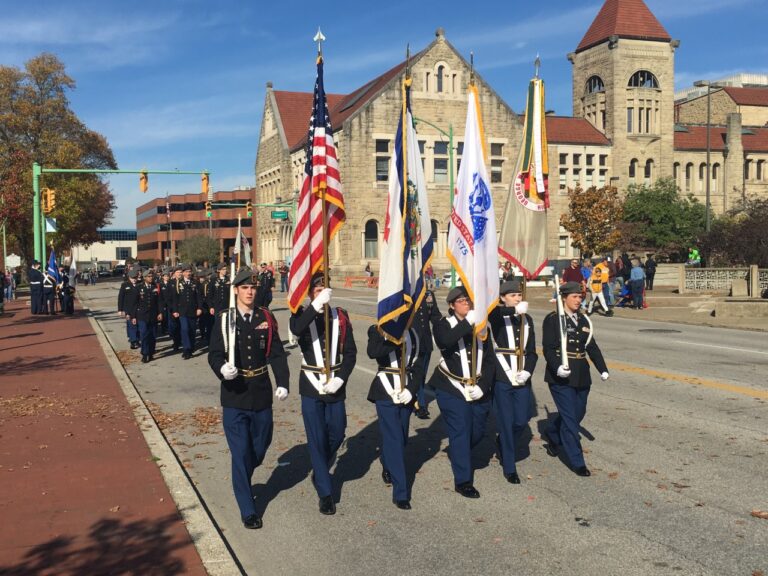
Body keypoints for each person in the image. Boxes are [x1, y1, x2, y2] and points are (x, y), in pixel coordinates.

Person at [208, 268, 290, 530]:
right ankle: (248, 509)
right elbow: (214, 354)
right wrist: (222, 369)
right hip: (235, 393)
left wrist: (284, 383)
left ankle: (244, 470)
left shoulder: (265, 317)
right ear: (236, 291)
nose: (250, 292)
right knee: (240, 452)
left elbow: (276, 353)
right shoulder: (225, 320)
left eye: (253, 288)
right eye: (244, 288)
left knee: (260, 444)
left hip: (261, 390)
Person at [290, 272, 356, 515]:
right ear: (310, 294)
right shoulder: (301, 315)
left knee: (337, 433)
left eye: (324, 289)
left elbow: (350, 353)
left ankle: (319, 470)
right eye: (317, 290)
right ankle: (326, 493)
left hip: (335, 384)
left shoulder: (341, 316)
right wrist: (315, 306)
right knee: (316, 438)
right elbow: (296, 329)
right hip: (310, 384)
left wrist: (341, 378)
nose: (322, 293)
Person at [428, 286, 494, 499]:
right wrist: (468, 323)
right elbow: (445, 342)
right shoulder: (442, 325)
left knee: (477, 431)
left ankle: (458, 450)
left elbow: (490, 360)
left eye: (469, 300)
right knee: (461, 431)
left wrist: (482, 387)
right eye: (461, 300)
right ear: (451, 305)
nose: (466, 303)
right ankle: (463, 480)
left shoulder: (483, 326)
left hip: (477, 386)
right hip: (451, 387)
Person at [541, 282, 609, 477]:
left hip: (582, 374)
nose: (579, 300)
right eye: (575, 297)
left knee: (577, 413)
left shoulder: (584, 319)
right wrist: (556, 366)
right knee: (571, 421)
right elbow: (548, 348)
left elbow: (591, 346)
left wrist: (602, 369)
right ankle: (577, 462)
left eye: (580, 297)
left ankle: (553, 434)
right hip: (562, 376)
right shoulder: (554, 319)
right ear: (564, 298)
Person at [367, 321, 422, 510]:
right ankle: (401, 492)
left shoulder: (414, 333)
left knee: (402, 438)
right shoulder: (377, 330)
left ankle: (387, 460)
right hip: (385, 390)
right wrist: (395, 338)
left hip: (406, 390)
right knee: (394, 440)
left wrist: (412, 390)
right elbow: (373, 352)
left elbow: (419, 366)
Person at [488, 280, 538, 484]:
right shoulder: (498, 315)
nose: (518, 298)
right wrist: (514, 310)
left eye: (519, 295)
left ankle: (501, 441)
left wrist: (528, 371)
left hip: (521, 376)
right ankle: (509, 466)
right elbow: (495, 314)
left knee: (520, 420)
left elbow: (532, 351)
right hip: (502, 376)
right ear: (503, 298)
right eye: (513, 295)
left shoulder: (527, 319)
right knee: (507, 422)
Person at [412, 289, 441, 420]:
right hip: (412, 341)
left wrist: (446, 326)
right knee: (417, 373)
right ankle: (420, 405)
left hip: (425, 341)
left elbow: (435, 315)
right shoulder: (407, 292)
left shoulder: (428, 294)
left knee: (422, 374)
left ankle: (415, 398)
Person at [171, 264, 203, 359]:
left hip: (193, 310)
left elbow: (199, 297)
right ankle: (186, 349)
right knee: (184, 329)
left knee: (192, 330)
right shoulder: (178, 283)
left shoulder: (195, 283)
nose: (188, 273)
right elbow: (175, 299)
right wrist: (175, 310)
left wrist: (199, 308)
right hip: (182, 311)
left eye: (190, 271)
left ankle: (191, 346)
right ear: (183, 273)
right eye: (186, 272)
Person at [136, 270, 162, 363]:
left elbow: (159, 301)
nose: (151, 278)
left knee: (153, 335)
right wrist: (133, 316)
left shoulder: (155, 287)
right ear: (144, 277)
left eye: (152, 276)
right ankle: (145, 353)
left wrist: (160, 313)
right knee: (144, 334)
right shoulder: (139, 287)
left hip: (153, 315)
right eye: (149, 276)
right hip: (142, 315)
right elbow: (135, 303)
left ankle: (151, 352)